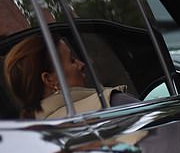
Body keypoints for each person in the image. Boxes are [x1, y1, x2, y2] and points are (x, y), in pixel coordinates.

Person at [3, 33, 131, 119]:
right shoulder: (112, 104)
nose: (82, 64)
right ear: (49, 80)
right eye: (72, 60)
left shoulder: (34, 140)